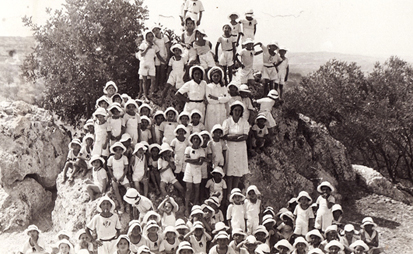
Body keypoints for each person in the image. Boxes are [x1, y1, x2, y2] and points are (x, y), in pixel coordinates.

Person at [222, 101, 250, 193]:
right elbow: (225, 135)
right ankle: (229, 193)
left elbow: (245, 137)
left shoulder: (244, 122)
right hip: (229, 148)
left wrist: (232, 136)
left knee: (237, 172)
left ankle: (235, 191)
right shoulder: (227, 121)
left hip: (240, 149)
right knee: (229, 172)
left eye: (239, 110)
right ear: (232, 111)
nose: (237, 112)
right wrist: (238, 136)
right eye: (235, 110)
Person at [139, 30, 166, 98]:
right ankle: (145, 95)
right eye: (148, 37)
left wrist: (165, 62)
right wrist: (147, 47)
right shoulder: (143, 45)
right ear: (146, 37)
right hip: (144, 63)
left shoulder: (155, 46)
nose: (150, 38)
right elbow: (142, 54)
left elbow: (158, 55)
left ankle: (151, 94)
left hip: (151, 63)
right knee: (144, 81)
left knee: (153, 79)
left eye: (151, 36)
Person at [183, 132, 205, 216]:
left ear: (199, 141)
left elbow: (200, 163)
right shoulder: (188, 149)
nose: (195, 140)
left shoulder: (201, 150)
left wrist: (191, 160)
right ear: (191, 140)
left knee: (196, 188)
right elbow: (185, 159)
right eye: (194, 139)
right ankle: (186, 208)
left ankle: (194, 207)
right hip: (189, 170)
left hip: (197, 171)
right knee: (188, 189)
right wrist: (196, 160)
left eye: (197, 139)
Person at [205, 66, 230, 131]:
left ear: (220, 77)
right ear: (211, 77)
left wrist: (216, 98)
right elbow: (210, 100)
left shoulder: (223, 87)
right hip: (212, 109)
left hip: (221, 108)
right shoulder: (208, 86)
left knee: (222, 126)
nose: (216, 77)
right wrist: (221, 99)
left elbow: (227, 98)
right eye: (214, 76)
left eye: (218, 76)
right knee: (211, 126)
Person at [107, 142, 130, 212]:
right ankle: (121, 205)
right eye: (116, 150)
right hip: (115, 176)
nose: (118, 151)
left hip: (122, 176)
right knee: (115, 188)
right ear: (114, 150)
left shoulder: (124, 158)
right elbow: (109, 167)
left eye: (120, 149)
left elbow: (126, 168)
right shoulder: (111, 158)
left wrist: (123, 177)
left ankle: (128, 205)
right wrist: (112, 177)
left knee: (129, 189)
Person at [152, 25, 171, 93]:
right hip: (157, 57)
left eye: (157, 30)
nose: (156, 32)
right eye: (154, 30)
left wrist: (168, 57)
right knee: (157, 71)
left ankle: (161, 85)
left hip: (164, 56)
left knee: (163, 72)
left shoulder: (165, 37)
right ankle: (156, 86)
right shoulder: (154, 39)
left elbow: (167, 47)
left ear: (160, 30)